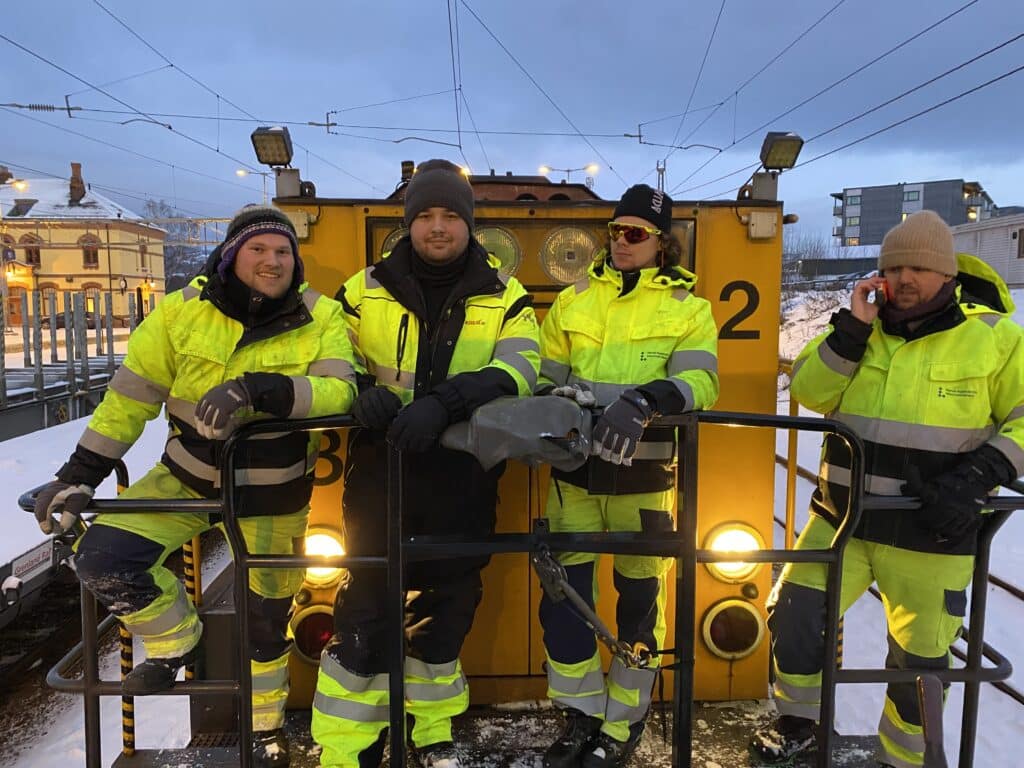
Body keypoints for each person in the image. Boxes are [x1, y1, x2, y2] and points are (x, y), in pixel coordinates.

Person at [33, 205, 358, 768]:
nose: (273, 260)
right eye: (259, 249)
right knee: (104, 556)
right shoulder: (179, 314)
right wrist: (76, 475)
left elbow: (340, 393)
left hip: (275, 492)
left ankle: (265, 729)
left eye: (283, 252)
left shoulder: (321, 315)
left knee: (266, 622)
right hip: (186, 477)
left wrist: (259, 389)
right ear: (232, 255)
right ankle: (174, 641)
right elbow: (128, 402)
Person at [751, 210, 1024, 768]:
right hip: (841, 522)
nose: (905, 278)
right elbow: (806, 388)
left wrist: (983, 473)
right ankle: (799, 725)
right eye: (894, 266)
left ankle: (902, 760)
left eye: (919, 268)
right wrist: (850, 331)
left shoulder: (996, 339)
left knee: (919, 662)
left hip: (932, 533)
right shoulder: (859, 330)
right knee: (795, 615)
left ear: (946, 274)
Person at [311, 159, 541, 768]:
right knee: (365, 612)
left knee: (447, 612)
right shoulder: (362, 290)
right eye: (425, 216)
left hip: (463, 481)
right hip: (381, 479)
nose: (438, 228)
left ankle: (430, 731)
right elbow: (332, 355)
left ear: (469, 225)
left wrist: (445, 403)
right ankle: (344, 750)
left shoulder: (506, 295)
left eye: (450, 216)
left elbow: (521, 369)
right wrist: (364, 390)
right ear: (408, 224)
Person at [536, 184, 720, 768]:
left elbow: (703, 385)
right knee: (563, 602)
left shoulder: (691, 310)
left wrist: (643, 401)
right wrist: (556, 401)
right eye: (615, 231)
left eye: (635, 233)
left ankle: (623, 725)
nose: (621, 242)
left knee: (640, 605)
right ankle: (580, 716)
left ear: (662, 244)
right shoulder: (573, 302)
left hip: (646, 486)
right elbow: (543, 379)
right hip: (575, 482)